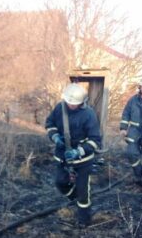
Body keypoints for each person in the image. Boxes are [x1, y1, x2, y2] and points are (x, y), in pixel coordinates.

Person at [45, 83, 102, 228]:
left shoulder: (89, 114)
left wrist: (79, 151)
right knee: (60, 182)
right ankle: (73, 197)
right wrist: (55, 137)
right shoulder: (59, 108)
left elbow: (95, 141)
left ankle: (84, 220)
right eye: (68, 102)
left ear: (82, 102)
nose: (71, 105)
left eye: (74, 103)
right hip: (62, 157)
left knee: (83, 193)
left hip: (83, 160)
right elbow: (49, 124)